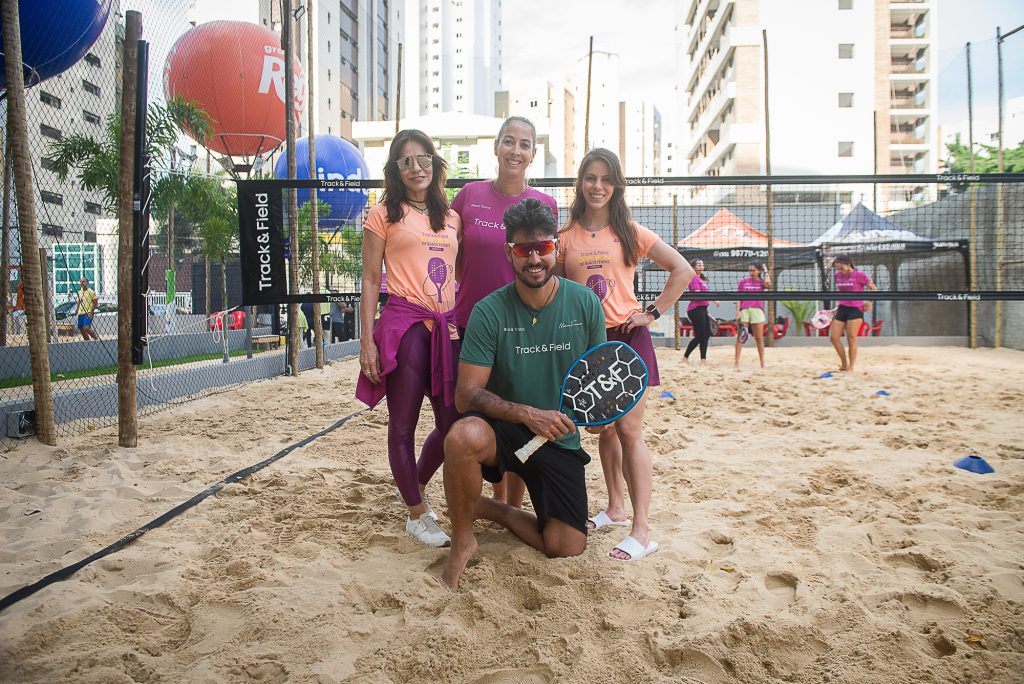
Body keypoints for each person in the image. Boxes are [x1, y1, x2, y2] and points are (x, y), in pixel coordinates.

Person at [440, 197, 606, 591]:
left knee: (565, 546)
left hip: (560, 437)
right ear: (508, 252)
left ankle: (486, 508)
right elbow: (466, 396)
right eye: (522, 249)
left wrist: (604, 419)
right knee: (462, 436)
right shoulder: (488, 311)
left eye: (543, 248)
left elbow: (599, 387)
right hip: (508, 431)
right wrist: (527, 414)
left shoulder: (584, 304)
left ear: (556, 248)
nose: (534, 259)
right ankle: (463, 540)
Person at [555, 148, 693, 562]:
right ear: (580, 183)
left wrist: (650, 312)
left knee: (630, 432)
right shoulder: (566, 237)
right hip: (589, 342)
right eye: (590, 178)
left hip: (629, 339)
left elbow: (682, 270)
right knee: (606, 432)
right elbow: (561, 295)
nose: (597, 186)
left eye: (606, 179)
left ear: (616, 185)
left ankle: (642, 529)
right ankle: (615, 508)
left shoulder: (630, 231)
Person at [356, 129, 462, 548]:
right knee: (403, 424)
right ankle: (417, 514)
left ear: (435, 164)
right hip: (405, 325)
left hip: (446, 329)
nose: (416, 167)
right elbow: (368, 279)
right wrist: (367, 342)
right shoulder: (383, 214)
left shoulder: (451, 217)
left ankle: (412, 486)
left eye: (423, 159)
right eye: (406, 161)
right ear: (395, 170)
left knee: (451, 424)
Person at [451, 115, 559, 508]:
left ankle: (508, 506)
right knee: (470, 414)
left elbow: (550, 266)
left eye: (525, 144)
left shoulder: (545, 204)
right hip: (471, 324)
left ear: (533, 154)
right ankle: (475, 499)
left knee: (517, 415)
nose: (516, 150)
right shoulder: (468, 194)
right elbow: (450, 254)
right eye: (509, 141)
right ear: (496, 147)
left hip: (524, 328)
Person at [829, 254, 877, 372]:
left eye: (841, 268)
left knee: (851, 338)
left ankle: (851, 366)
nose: (840, 271)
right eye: (838, 268)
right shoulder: (837, 275)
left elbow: (874, 288)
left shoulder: (859, 275)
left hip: (855, 309)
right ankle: (844, 364)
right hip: (842, 308)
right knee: (834, 337)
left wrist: (870, 302)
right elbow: (841, 292)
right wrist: (837, 305)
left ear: (848, 265)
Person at [734, 261, 772, 369]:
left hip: (757, 311)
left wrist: (766, 271)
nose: (751, 272)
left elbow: (769, 284)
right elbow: (738, 298)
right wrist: (737, 312)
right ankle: (736, 362)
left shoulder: (761, 282)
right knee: (740, 337)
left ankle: (762, 363)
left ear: (759, 271)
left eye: (753, 270)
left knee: (759, 338)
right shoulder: (743, 282)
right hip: (745, 310)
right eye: (750, 270)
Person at [683, 259, 717, 364]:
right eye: (698, 264)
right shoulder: (694, 278)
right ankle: (685, 358)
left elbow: (704, 300)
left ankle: (703, 360)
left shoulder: (700, 278)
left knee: (706, 335)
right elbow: (698, 296)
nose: (701, 266)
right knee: (700, 336)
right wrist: (714, 299)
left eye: (702, 264)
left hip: (702, 309)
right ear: (693, 267)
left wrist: (708, 312)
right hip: (695, 310)